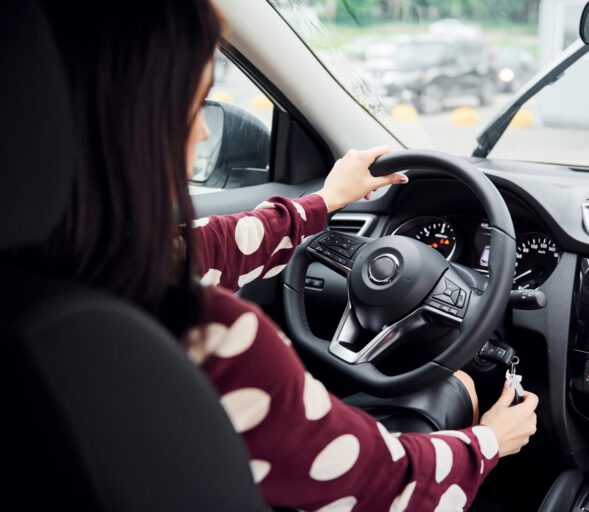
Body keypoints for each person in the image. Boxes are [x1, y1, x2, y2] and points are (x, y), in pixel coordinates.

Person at [24, 1, 539, 510]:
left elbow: (207, 245)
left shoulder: (50, 275)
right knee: (457, 390)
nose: (203, 132)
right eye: (194, 102)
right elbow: (383, 486)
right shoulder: (212, 336)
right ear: (134, 122)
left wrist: (324, 202)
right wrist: (489, 442)